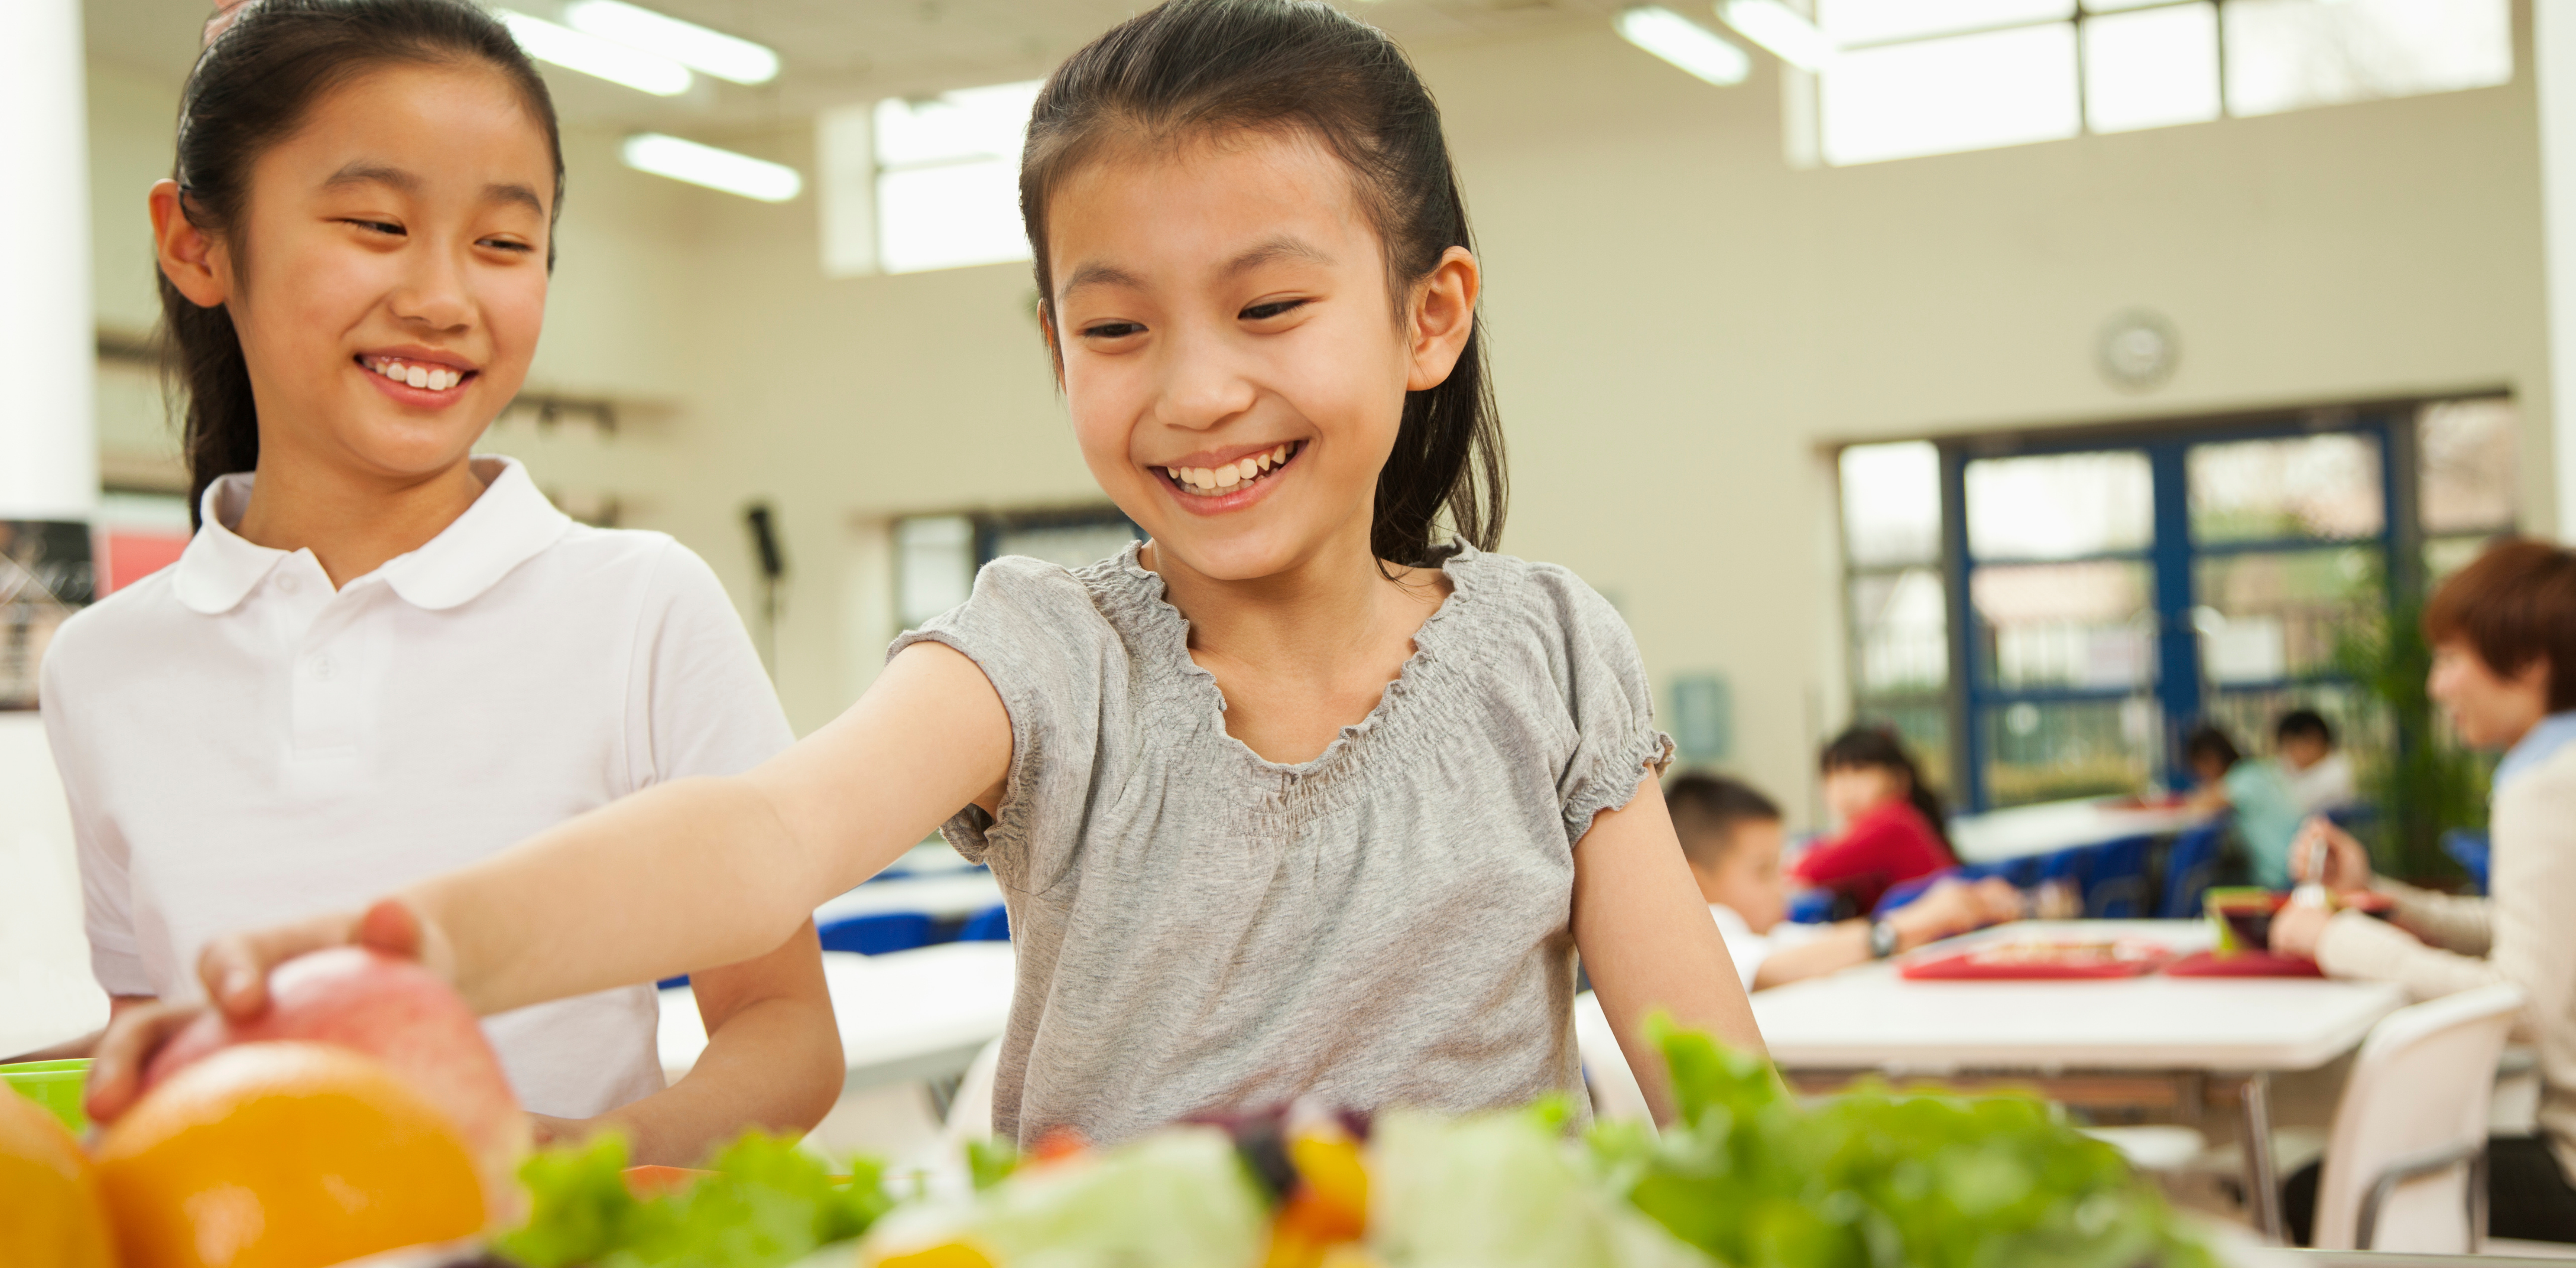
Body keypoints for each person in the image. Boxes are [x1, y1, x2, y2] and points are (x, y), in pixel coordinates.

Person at [87, 0, 1762, 1145]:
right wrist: (412, 942)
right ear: (1055, 347)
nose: (1192, 390)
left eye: (1266, 309)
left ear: (1426, 314)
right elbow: (761, 835)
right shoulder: (1039, 652)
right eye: (1115, 327)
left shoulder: (1544, 651)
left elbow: (1711, 1090)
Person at [43, 0, 840, 1165]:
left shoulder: (640, 607)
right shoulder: (103, 666)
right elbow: (144, 1035)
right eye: (377, 222)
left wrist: (593, 1160)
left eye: (505, 244)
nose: (443, 296)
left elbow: (783, 1026)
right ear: (196, 242)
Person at [2269, 539, 2576, 1244]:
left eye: (2450, 658)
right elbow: (2538, 933)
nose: (2437, 687)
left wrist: (2338, 940)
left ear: (2528, 662)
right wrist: (2381, 897)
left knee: (2309, 1193)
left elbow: (2524, 1003)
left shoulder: (2545, 783)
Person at [1668, 773, 2021, 991]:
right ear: (1695, 881)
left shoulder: (1765, 934)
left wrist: (1945, 912)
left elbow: (1825, 945)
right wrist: (1917, 921)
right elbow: (1771, 969)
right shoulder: (1702, 932)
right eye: (1763, 872)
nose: (1781, 888)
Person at [1788, 726, 1957, 915]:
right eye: (1832, 774)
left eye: (1858, 771)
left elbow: (1809, 869)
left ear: (1896, 779)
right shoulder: (1901, 818)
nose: (1844, 786)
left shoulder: (1892, 821)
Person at [2183, 723, 2304, 889]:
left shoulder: (2244, 778)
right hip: (2287, 869)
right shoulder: (2255, 772)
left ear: (2210, 758)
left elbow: (2201, 805)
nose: (2199, 776)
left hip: (2280, 877)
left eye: (2198, 768)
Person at [2275, 709, 2357, 815]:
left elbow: (2294, 806)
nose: (2290, 754)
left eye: (2292, 745)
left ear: (2315, 740)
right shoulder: (2296, 770)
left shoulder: (2336, 772)